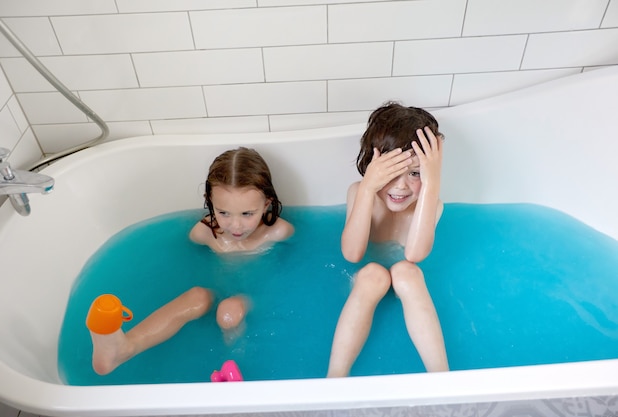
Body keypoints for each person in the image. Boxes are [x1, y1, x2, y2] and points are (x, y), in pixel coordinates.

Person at [87, 147, 294, 375]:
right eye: (224, 213)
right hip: (217, 288)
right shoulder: (204, 233)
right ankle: (124, 348)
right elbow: (186, 259)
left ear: (266, 205)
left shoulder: (279, 233)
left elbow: (289, 272)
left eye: (247, 214)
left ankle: (237, 363)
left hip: (255, 297)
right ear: (210, 203)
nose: (235, 226)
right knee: (198, 297)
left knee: (228, 311)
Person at [327, 102, 449, 378]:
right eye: (390, 172)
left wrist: (431, 185)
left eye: (416, 173)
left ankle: (442, 377)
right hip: (364, 281)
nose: (400, 186)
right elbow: (352, 254)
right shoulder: (360, 192)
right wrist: (369, 187)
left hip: (407, 281)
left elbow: (415, 254)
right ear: (371, 166)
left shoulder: (432, 204)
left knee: (407, 272)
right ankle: (335, 377)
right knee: (373, 274)